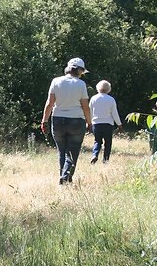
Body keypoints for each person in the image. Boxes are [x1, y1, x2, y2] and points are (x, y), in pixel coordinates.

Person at [40, 57, 92, 185]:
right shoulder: (80, 84)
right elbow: (85, 105)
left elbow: (50, 103)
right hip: (76, 120)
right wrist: (89, 122)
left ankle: (64, 179)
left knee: (62, 151)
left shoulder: (56, 81)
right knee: (72, 152)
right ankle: (65, 177)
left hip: (57, 119)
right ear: (79, 70)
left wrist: (44, 121)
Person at [89, 80, 123, 164]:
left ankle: (95, 154)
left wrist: (88, 123)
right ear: (108, 89)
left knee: (97, 141)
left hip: (96, 124)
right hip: (108, 124)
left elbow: (90, 112)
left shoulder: (94, 98)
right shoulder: (111, 99)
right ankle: (105, 160)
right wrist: (119, 124)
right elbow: (114, 113)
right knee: (108, 143)